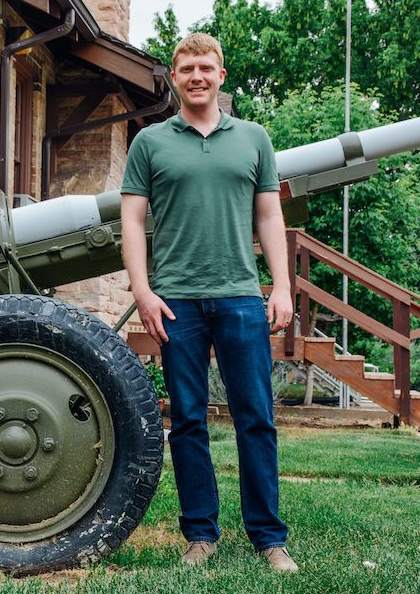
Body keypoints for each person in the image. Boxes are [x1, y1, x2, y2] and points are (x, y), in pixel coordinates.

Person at [120, 33, 298, 573]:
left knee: (257, 419)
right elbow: (131, 221)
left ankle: (269, 538)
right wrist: (143, 291)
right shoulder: (149, 143)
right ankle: (200, 535)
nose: (196, 76)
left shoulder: (254, 139)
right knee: (190, 420)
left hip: (242, 298)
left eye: (206, 67)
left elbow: (269, 217)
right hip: (176, 301)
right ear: (173, 78)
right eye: (186, 68)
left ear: (222, 75)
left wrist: (282, 285)